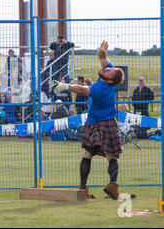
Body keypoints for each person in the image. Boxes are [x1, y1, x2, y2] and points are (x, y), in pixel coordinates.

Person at [54, 40, 125, 200]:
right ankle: (110, 186)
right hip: (106, 123)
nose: (106, 70)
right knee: (108, 155)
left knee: (96, 154)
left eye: (109, 72)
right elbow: (102, 58)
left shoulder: (101, 89)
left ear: (110, 80)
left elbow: (82, 89)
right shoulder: (110, 79)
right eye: (108, 69)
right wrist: (102, 51)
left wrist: (66, 86)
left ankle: (87, 188)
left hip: (98, 123)